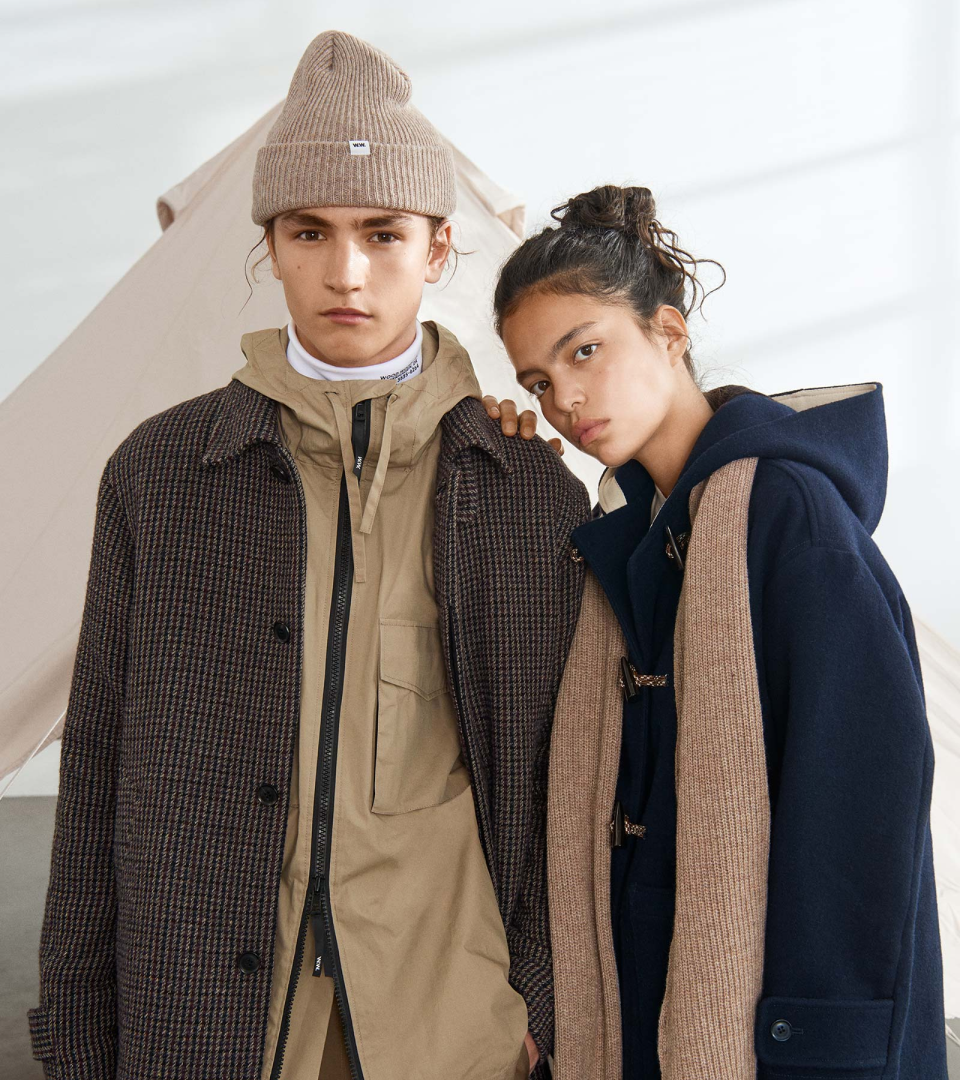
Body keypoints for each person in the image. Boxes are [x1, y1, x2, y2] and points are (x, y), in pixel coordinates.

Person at [27, 31, 590, 1080]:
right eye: (309, 231)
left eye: (383, 233)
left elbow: (574, 782)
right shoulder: (162, 476)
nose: (345, 272)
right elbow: (98, 766)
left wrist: (542, 1009)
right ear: (270, 246)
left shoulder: (525, 492)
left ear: (438, 249)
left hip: (455, 1025)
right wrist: (77, 1032)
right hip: (211, 1023)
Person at [483, 183, 949, 1078]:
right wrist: (512, 479)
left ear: (668, 331)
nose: (565, 398)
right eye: (538, 381)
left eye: (585, 350)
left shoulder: (785, 513)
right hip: (643, 1009)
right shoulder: (626, 539)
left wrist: (817, 1042)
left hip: (775, 1036)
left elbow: (864, 809)